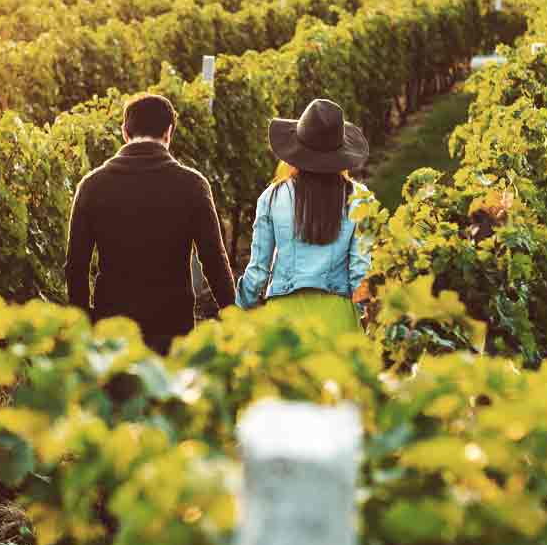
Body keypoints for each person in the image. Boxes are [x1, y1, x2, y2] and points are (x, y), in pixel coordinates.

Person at [66, 93, 236, 355]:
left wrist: (86, 321)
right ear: (169, 133)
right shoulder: (192, 185)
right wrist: (233, 315)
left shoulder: (91, 185)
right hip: (172, 326)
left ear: (125, 131)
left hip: (112, 327)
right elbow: (213, 258)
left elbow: (76, 267)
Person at [235, 98, 372, 334]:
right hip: (337, 320)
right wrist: (361, 315)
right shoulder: (360, 197)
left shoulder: (272, 197)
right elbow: (360, 272)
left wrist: (237, 310)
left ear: (296, 150)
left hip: (283, 322)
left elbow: (258, 271)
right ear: (341, 153)